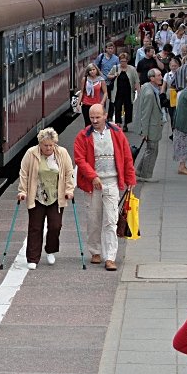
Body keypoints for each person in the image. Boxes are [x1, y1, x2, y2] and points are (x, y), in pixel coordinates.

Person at [72, 103, 136, 272]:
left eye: (97, 117)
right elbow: (79, 159)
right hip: (93, 185)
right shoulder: (83, 136)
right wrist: (93, 177)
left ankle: (110, 257)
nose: (94, 120)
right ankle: (95, 251)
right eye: (92, 117)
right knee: (94, 220)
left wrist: (130, 180)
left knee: (111, 220)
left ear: (105, 115)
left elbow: (127, 157)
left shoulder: (116, 133)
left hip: (112, 183)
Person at [16, 128, 76, 270]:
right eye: (45, 145)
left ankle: (50, 250)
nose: (49, 148)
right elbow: (24, 173)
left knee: (56, 226)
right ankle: (32, 258)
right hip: (37, 196)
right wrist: (22, 191)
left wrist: (69, 190)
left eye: (51, 145)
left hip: (56, 196)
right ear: (40, 144)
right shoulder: (31, 154)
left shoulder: (62, 153)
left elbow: (69, 173)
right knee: (35, 227)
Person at [134, 68, 166, 182]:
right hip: (152, 128)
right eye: (159, 75)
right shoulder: (149, 93)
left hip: (152, 126)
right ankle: (145, 175)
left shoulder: (148, 87)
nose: (161, 77)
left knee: (150, 150)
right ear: (152, 78)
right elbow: (145, 114)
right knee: (152, 150)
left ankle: (139, 171)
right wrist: (145, 132)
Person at [109, 50, 139, 131]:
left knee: (128, 108)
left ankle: (126, 124)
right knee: (118, 107)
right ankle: (118, 123)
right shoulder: (115, 68)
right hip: (117, 92)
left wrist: (139, 93)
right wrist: (114, 75)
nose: (123, 63)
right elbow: (109, 76)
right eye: (121, 61)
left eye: (124, 61)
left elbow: (136, 81)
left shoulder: (132, 69)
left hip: (128, 92)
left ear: (127, 61)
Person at [79, 63, 108, 127]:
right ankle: (88, 136)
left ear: (96, 70)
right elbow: (82, 92)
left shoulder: (101, 80)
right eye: (90, 70)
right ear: (88, 72)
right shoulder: (85, 79)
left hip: (97, 105)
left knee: (96, 123)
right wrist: (78, 104)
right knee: (87, 124)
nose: (92, 71)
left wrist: (102, 102)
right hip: (86, 104)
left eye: (93, 69)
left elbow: (105, 92)